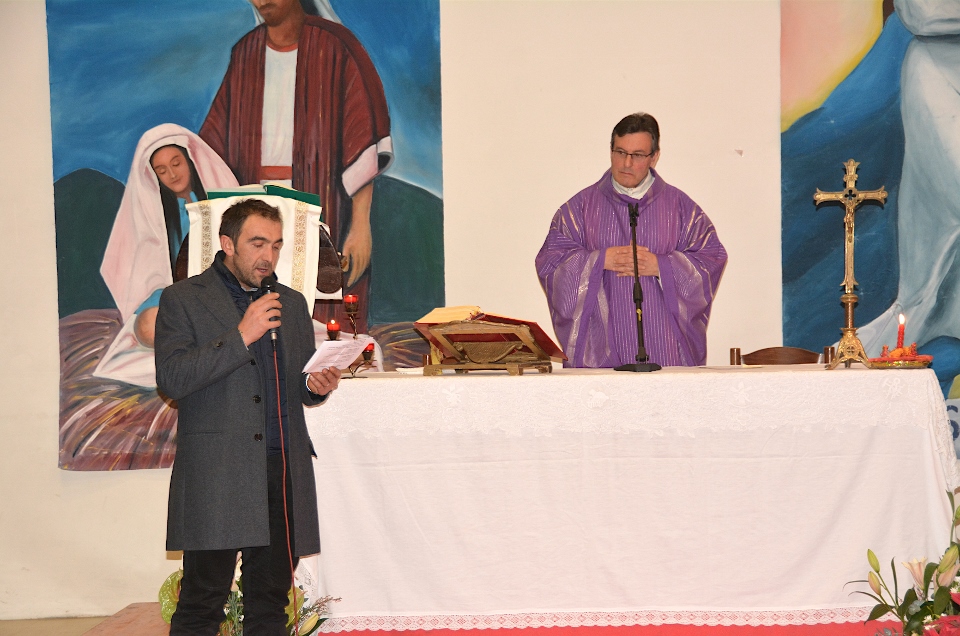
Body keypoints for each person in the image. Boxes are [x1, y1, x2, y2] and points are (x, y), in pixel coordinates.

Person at [155, 198, 341, 635]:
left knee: (271, 604)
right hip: (218, 470)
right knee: (202, 601)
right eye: (257, 243)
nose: (268, 256)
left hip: (281, 468)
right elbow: (173, 379)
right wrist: (241, 335)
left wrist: (314, 386)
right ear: (227, 244)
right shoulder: (183, 299)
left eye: (276, 245)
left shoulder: (290, 303)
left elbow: (294, 383)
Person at [199, 0, 393, 334]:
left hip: (320, 200)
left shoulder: (335, 46)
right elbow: (212, 146)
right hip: (256, 205)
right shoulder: (245, 52)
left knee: (323, 314)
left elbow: (361, 138)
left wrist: (361, 224)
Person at [536, 113, 727, 368]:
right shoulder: (578, 210)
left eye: (637, 155)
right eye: (620, 152)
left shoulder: (682, 209)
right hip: (601, 357)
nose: (626, 163)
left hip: (666, 350)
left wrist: (663, 266)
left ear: (654, 157)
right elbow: (551, 263)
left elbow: (711, 259)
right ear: (611, 151)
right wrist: (598, 261)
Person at [100, 123, 239, 348]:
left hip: (223, 290)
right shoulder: (156, 216)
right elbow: (152, 273)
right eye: (162, 170)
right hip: (178, 295)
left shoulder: (218, 202)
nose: (172, 175)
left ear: (190, 161)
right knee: (147, 326)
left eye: (176, 164)